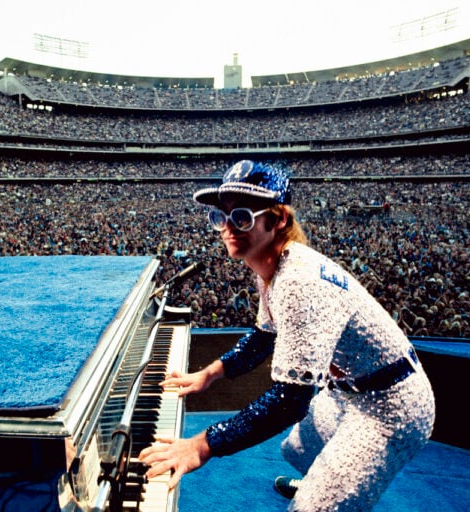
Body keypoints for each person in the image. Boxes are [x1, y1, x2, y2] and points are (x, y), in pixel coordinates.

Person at [139, 160, 436, 511]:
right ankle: (324, 481)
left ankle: (328, 495)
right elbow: (262, 337)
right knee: (295, 450)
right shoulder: (270, 263)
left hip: (391, 406)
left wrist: (204, 444)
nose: (228, 229)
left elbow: (290, 401)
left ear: (278, 219)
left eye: (243, 217)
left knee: (311, 508)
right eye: (223, 217)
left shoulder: (298, 281)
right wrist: (210, 374)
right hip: (348, 389)